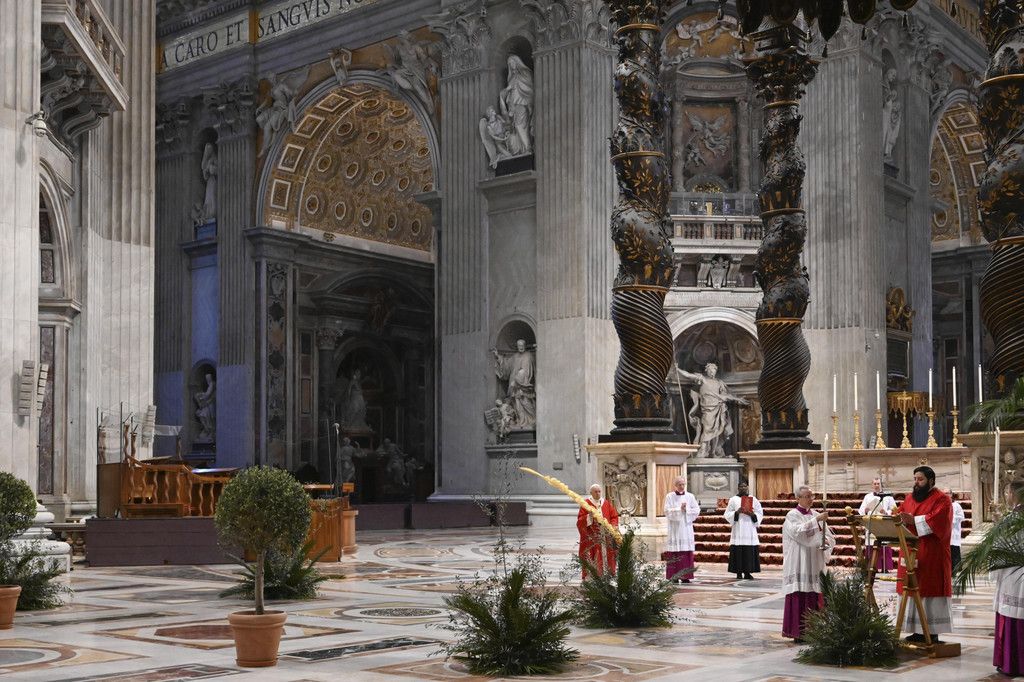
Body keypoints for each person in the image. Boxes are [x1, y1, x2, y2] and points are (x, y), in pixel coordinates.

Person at [896, 465, 953, 643]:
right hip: (910, 551)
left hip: (931, 553)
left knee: (928, 589)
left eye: (920, 479)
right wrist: (893, 517)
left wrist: (913, 520)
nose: (916, 482)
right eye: (915, 479)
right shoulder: (909, 498)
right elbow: (899, 514)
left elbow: (938, 521)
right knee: (910, 589)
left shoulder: (942, 500)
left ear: (931, 481)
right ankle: (916, 630)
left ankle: (931, 631)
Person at [782, 485, 834, 642]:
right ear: (798, 498)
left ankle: (815, 631)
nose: (811, 499)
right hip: (800, 560)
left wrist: (826, 541)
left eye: (812, 496)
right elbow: (797, 533)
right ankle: (798, 633)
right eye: (807, 496)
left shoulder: (817, 514)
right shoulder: (792, 515)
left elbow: (828, 535)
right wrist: (815, 521)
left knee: (814, 592)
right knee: (800, 592)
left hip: (815, 559)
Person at [676, 362, 750, 458]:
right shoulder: (703, 379)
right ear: (706, 371)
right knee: (707, 429)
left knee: (717, 431)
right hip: (707, 409)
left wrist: (738, 399)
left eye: (714, 370)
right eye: (710, 370)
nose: (712, 372)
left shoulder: (719, 382)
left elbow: (726, 396)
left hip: (718, 407)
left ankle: (713, 452)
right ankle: (703, 450)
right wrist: (678, 369)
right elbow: (689, 375)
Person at [993, 480, 1024, 675]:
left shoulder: (1012, 518)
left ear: (1014, 494)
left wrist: (997, 525)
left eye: (1008, 493)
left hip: (1013, 574)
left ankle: (1013, 663)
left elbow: (1001, 546)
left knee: (1013, 616)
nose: (1007, 496)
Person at [577, 483, 619, 578]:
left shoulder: (606, 503)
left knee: (607, 554)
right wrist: (589, 516)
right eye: (595, 492)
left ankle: (608, 575)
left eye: (599, 491)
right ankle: (593, 577)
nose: (598, 493)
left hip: (606, 536)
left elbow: (614, 516)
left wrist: (614, 525)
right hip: (592, 536)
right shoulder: (586, 504)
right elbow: (580, 521)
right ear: (591, 493)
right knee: (593, 556)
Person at [664, 476, 700, 583]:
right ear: (675, 485)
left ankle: (686, 576)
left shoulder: (690, 496)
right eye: (679, 484)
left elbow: (696, 510)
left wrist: (686, 509)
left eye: (683, 484)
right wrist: (679, 509)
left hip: (686, 527)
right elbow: (666, 511)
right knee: (674, 551)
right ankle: (673, 576)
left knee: (686, 552)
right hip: (675, 528)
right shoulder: (669, 496)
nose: (682, 486)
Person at [492, 339, 536, 427]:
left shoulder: (528, 356)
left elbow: (527, 372)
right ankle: (520, 421)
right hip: (513, 386)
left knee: (525, 402)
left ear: (525, 346)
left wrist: (518, 380)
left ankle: (531, 419)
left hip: (524, 386)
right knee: (517, 405)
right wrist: (498, 357)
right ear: (517, 346)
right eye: (519, 346)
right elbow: (506, 365)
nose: (521, 347)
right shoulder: (515, 356)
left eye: (522, 345)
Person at [724, 482, 762, 580]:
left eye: (745, 486)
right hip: (738, 529)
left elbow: (760, 513)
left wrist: (752, 514)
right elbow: (727, 514)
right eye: (741, 486)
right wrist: (737, 512)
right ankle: (738, 573)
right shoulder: (733, 499)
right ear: (738, 488)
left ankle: (748, 572)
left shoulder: (753, 499)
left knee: (748, 552)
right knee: (738, 551)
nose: (743, 488)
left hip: (749, 528)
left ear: (747, 487)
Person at [859, 477, 897, 571]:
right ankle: (872, 566)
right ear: (872, 485)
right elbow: (861, 510)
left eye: (878, 483)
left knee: (884, 545)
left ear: (881, 485)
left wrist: (886, 512)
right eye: (875, 484)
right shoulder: (867, 497)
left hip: (884, 523)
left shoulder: (888, 496)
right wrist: (866, 510)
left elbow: (894, 509)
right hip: (872, 524)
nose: (876, 485)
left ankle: (885, 567)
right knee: (872, 544)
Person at [948, 489, 965, 575]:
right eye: (944, 493)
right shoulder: (941, 505)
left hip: (954, 531)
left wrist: (951, 518)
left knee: (954, 550)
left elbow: (961, 517)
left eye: (948, 493)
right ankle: (948, 570)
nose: (946, 495)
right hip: (945, 533)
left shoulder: (956, 505)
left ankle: (955, 569)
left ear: (951, 494)